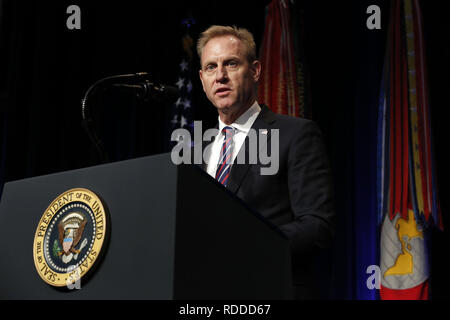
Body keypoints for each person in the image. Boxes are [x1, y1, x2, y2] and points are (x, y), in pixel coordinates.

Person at [197, 25, 335, 299]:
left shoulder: (295, 134)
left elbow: (317, 225)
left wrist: (242, 244)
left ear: (256, 71)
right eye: (211, 67)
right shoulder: (198, 150)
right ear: (202, 79)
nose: (220, 76)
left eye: (231, 63)